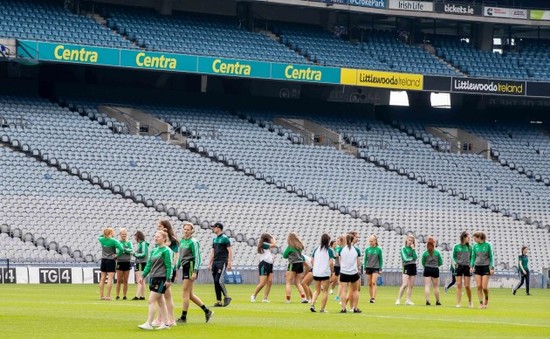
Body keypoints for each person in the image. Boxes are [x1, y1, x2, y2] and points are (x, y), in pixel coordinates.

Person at [176, 222, 213, 324]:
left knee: (185, 292)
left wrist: (195, 271)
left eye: (188, 229)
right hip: (185, 267)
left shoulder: (193, 242)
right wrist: (177, 267)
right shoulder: (182, 241)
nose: (186, 231)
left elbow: (197, 257)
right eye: (185, 229)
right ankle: (207, 311)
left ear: (192, 231)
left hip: (191, 267)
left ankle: (183, 317)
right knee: (190, 294)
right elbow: (180, 256)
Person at [137, 230, 173, 330]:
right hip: (154, 277)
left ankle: (149, 323)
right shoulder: (153, 250)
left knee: (151, 300)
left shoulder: (167, 251)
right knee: (160, 301)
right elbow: (149, 265)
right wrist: (143, 275)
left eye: (158, 236)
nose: (155, 238)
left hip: (161, 278)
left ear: (164, 239)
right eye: (155, 236)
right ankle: (165, 324)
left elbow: (169, 266)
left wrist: (168, 279)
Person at [154, 220, 179, 326]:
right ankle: (161, 318)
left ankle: (170, 319)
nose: (158, 228)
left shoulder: (172, 241)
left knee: (166, 295)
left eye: (159, 226)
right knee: (162, 295)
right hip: (160, 270)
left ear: (165, 227)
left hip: (167, 270)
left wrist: (174, 269)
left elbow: (175, 256)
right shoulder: (159, 240)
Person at [208, 222, 232, 307]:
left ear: (218, 228)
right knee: (215, 282)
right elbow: (213, 252)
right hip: (215, 262)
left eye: (214, 227)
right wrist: (209, 263)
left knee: (219, 281)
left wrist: (229, 262)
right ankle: (218, 301)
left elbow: (229, 251)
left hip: (222, 262)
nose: (213, 229)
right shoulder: (214, 239)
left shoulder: (225, 238)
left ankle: (227, 297)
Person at [309, 234, 335, 313]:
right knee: (325, 291)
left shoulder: (316, 249)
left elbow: (311, 260)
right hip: (325, 272)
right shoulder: (329, 250)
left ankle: (312, 304)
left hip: (316, 272)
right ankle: (322, 308)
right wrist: (332, 271)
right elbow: (331, 262)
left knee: (317, 290)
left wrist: (316, 267)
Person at [337, 233, 361, 313]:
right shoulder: (356, 250)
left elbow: (340, 262)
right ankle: (355, 308)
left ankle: (344, 308)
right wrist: (356, 269)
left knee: (344, 290)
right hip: (353, 272)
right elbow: (358, 263)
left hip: (344, 272)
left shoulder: (341, 250)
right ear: (352, 240)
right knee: (355, 290)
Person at [470, 231, 494, 309]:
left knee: (484, 287)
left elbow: (491, 256)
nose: (474, 239)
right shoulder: (475, 246)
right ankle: (481, 303)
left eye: (475, 238)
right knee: (478, 286)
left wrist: (492, 267)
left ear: (479, 237)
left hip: (486, 267)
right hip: (477, 267)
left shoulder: (488, 245)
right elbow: (473, 257)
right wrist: (471, 266)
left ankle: (486, 299)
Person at [98, 227, 124, 301]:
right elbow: (121, 249)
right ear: (111, 233)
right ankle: (108, 295)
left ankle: (101, 295)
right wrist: (117, 255)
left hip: (103, 259)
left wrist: (104, 233)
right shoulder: (114, 241)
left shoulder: (102, 239)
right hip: (111, 260)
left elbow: (99, 237)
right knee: (109, 278)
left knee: (102, 278)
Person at [282, 232, 308, 303]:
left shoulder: (290, 246)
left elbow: (284, 256)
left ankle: (288, 299)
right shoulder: (299, 246)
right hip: (300, 264)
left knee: (288, 282)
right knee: (298, 282)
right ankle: (303, 298)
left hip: (293, 264)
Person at [251, 233, 277, 303]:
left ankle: (265, 298)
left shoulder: (266, 245)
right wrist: (273, 237)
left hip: (270, 264)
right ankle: (254, 295)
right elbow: (274, 244)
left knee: (269, 282)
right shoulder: (264, 244)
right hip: (264, 264)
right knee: (262, 283)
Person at [451, 231, 473, 308]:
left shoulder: (470, 247)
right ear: (463, 237)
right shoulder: (456, 246)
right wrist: (455, 263)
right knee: (458, 284)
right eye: (468, 237)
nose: (469, 238)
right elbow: (453, 256)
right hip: (459, 267)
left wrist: (471, 266)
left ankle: (470, 301)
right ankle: (459, 303)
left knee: (467, 285)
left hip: (467, 267)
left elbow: (472, 258)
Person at [421, 236, 443, 306]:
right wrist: (436, 265)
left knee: (427, 286)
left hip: (427, 269)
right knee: (436, 287)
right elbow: (440, 262)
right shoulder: (437, 252)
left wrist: (427, 266)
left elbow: (423, 262)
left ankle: (427, 300)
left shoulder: (425, 253)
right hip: (435, 269)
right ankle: (437, 301)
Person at [396, 235, 417, 306]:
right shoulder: (403, 248)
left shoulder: (413, 248)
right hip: (406, 266)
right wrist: (412, 258)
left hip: (413, 266)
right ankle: (398, 299)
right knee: (404, 284)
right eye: (409, 240)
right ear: (406, 240)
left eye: (412, 240)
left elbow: (416, 257)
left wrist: (413, 250)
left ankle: (408, 300)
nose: (410, 242)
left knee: (411, 285)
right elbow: (405, 258)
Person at [115, 228, 133, 300]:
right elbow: (117, 251)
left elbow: (130, 250)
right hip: (120, 262)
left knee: (126, 280)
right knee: (119, 280)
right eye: (123, 234)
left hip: (127, 262)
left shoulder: (129, 242)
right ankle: (117, 295)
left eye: (125, 234)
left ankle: (125, 295)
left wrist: (123, 249)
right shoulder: (118, 242)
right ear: (120, 235)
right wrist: (125, 250)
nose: (124, 235)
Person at [364, 234, 383, 304]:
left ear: (375, 241)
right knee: (369, 284)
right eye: (370, 241)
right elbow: (365, 259)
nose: (370, 242)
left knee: (374, 282)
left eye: (372, 241)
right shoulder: (367, 249)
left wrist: (380, 268)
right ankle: (371, 296)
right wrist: (365, 267)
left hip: (375, 267)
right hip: (368, 267)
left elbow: (381, 259)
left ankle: (373, 298)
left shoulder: (379, 249)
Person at [132, 231, 149, 300]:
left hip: (141, 263)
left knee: (139, 279)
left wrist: (135, 254)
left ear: (138, 237)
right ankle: (142, 296)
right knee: (142, 280)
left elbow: (144, 254)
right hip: (141, 263)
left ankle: (137, 295)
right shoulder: (142, 244)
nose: (135, 238)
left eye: (135, 236)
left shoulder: (143, 244)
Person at [330, 236, 344, 301]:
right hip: (336, 265)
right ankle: (331, 289)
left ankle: (338, 296)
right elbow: (335, 256)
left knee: (339, 281)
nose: (337, 242)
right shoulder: (337, 248)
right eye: (337, 241)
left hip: (342, 266)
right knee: (334, 280)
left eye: (338, 241)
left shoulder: (343, 248)